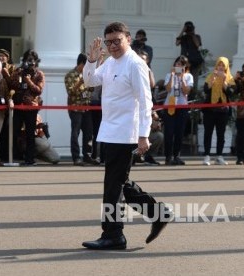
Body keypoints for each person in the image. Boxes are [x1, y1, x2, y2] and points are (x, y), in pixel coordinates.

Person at [82, 22, 172, 250]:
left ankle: (113, 235)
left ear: (128, 39)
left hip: (126, 133)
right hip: (110, 131)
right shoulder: (110, 62)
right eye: (108, 41)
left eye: (117, 41)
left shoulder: (135, 64)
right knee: (118, 181)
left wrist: (144, 135)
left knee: (113, 185)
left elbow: (145, 101)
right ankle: (158, 212)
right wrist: (91, 61)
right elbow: (90, 81)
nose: (112, 46)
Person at [9, 49, 45, 166]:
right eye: (27, 60)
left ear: (36, 61)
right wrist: (20, 74)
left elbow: (39, 90)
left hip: (31, 107)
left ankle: (30, 158)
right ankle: (13, 156)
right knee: (14, 131)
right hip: (19, 106)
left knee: (30, 133)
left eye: (32, 60)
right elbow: (12, 84)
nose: (30, 62)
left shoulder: (39, 74)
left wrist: (29, 81)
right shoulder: (19, 71)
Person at [64, 53, 98, 166]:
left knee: (89, 133)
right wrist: (80, 82)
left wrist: (90, 79)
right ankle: (76, 157)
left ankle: (87, 155)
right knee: (75, 133)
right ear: (81, 64)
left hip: (87, 107)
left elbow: (92, 89)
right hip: (75, 108)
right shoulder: (70, 75)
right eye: (86, 65)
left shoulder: (86, 74)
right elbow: (71, 92)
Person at [202, 56, 235, 166]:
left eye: (223, 65)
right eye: (219, 65)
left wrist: (224, 81)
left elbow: (231, 93)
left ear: (226, 67)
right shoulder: (211, 76)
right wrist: (213, 80)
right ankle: (207, 156)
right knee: (208, 133)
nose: (220, 67)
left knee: (221, 134)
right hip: (209, 110)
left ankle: (219, 156)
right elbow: (206, 90)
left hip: (223, 110)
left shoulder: (230, 78)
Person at [162, 55, 193, 165]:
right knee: (169, 132)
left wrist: (182, 77)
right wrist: (172, 75)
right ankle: (168, 156)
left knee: (179, 132)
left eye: (181, 64)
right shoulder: (169, 75)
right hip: (170, 105)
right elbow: (168, 89)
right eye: (177, 64)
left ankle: (177, 156)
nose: (178, 66)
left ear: (185, 66)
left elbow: (186, 91)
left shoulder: (188, 76)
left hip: (181, 106)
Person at [176, 21, 202, 98]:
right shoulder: (183, 37)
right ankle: (178, 96)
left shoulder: (197, 36)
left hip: (195, 62)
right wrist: (183, 31)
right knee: (178, 78)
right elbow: (177, 43)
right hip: (182, 61)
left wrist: (192, 33)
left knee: (193, 81)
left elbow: (197, 45)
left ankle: (192, 97)